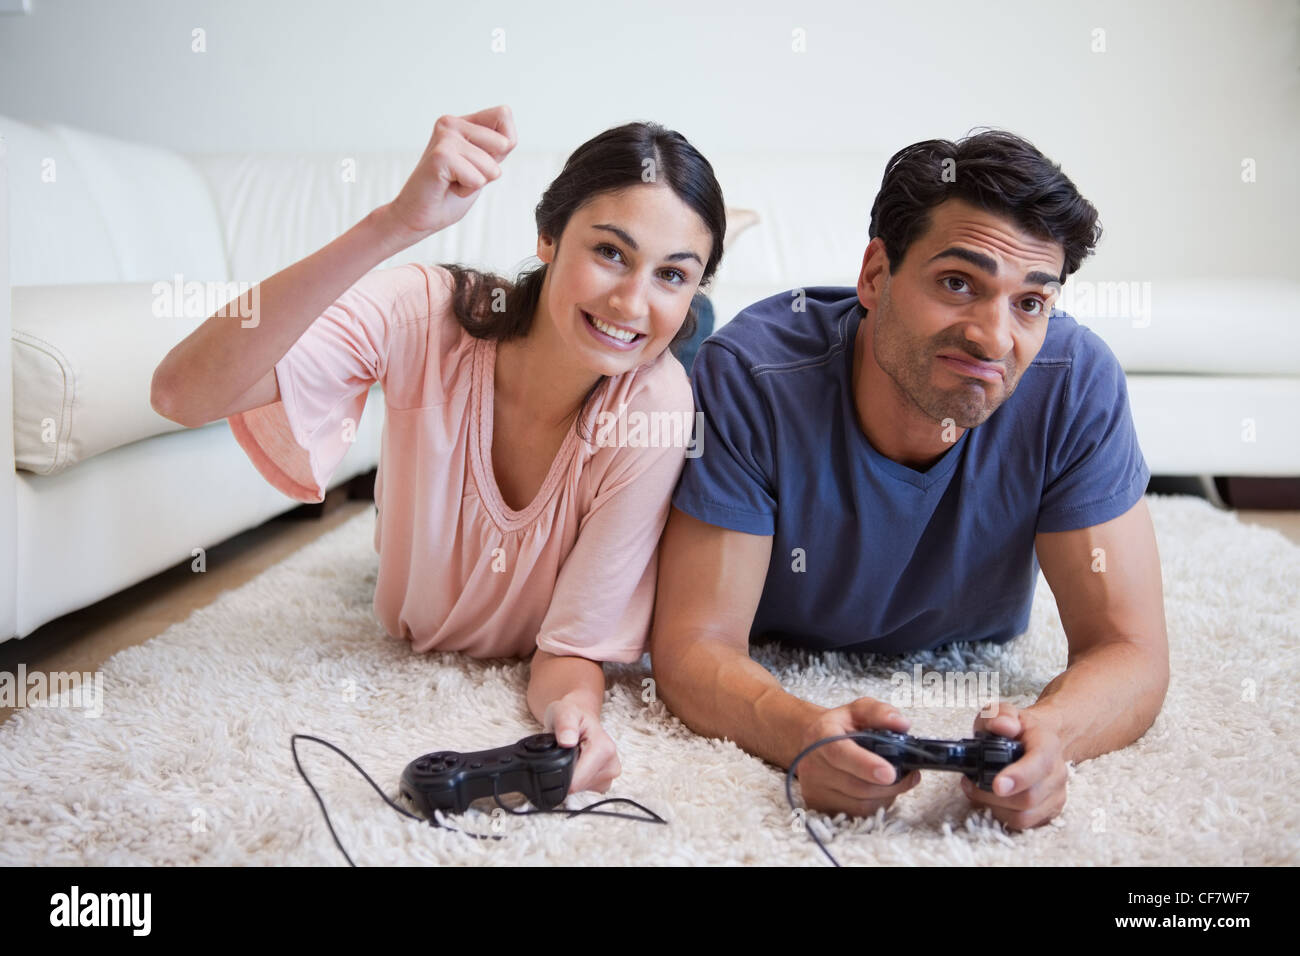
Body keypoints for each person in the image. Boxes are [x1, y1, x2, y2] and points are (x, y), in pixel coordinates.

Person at [150, 105, 726, 797]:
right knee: (638, 339)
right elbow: (181, 393)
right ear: (548, 236)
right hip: (503, 327)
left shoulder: (655, 407)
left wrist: (574, 717)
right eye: (610, 251)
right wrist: (396, 223)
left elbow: (569, 650)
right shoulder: (425, 312)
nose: (632, 299)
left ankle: (697, 318)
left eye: (673, 274)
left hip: (648, 379)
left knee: (681, 361)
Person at [649, 129, 1169, 830]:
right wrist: (797, 729)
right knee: (660, 369)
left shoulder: (1076, 383)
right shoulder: (750, 376)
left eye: (1030, 302)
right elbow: (692, 647)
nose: (993, 337)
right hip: (721, 374)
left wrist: (1055, 738)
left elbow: (1130, 649)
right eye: (958, 284)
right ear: (874, 275)